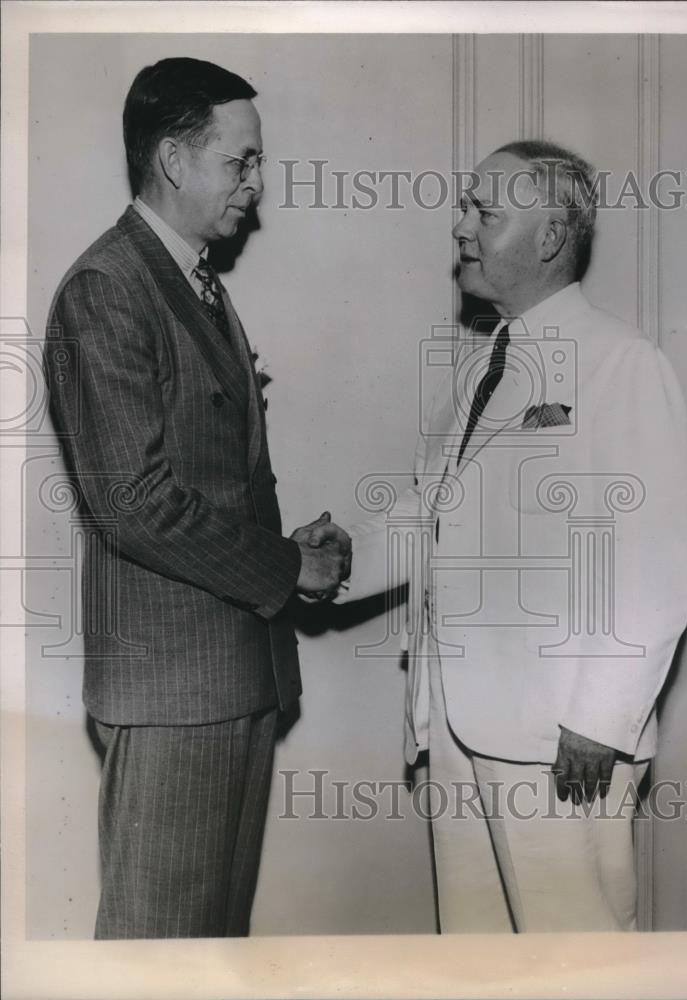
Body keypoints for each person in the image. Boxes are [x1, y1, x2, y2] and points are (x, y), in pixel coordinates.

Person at [330, 140, 687, 932]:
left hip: (557, 739)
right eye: (466, 206)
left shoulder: (621, 363)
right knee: (477, 961)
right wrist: (331, 562)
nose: (460, 226)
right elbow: (431, 514)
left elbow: (660, 556)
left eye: (483, 212)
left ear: (548, 237)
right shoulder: (478, 369)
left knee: (581, 965)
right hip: (456, 722)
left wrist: (599, 721)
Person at [43, 57, 350, 939]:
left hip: (229, 679)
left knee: (207, 951)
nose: (257, 184)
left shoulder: (192, 282)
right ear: (175, 159)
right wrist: (289, 565)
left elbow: (203, 476)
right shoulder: (110, 288)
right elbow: (133, 501)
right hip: (176, 689)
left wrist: (286, 544)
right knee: (157, 953)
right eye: (241, 160)